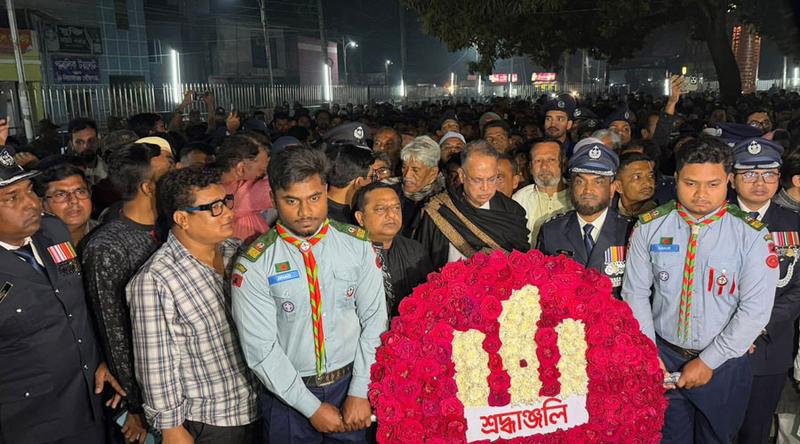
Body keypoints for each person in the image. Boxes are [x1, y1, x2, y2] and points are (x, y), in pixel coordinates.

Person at [622, 136, 780, 444]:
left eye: (713, 184)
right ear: (677, 178)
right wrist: (647, 351)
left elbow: (755, 310)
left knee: (717, 438)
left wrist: (709, 360)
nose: (701, 195)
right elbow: (635, 293)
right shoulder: (649, 226)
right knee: (666, 438)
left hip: (724, 364)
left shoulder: (751, 235)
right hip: (663, 357)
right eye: (691, 183)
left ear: (729, 181)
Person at [231, 145, 387, 443]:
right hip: (288, 396)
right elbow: (260, 349)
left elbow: (375, 319)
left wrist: (359, 390)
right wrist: (310, 407)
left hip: (352, 385)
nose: (305, 212)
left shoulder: (357, 246)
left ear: (325, 190)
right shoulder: (254, 263)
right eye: (292, 201)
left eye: (314, 198)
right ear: (274, 197)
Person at [0, 146, 126, 444]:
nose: (31, 204)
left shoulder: (53, 232)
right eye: (11, 198)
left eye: (29, 190)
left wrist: (105, 357)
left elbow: (78, 307)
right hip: (32, 423)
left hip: (91, 403)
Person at [127, 167, 261, 444]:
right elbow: (156, 365)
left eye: (225, 202)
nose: (227, 213)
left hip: (259, 404)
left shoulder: (237, 252)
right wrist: (171, 428)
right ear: (181, 218)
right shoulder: (156, 280)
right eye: (213, 208)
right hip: (212, 420)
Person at [80, 142, 174, 443]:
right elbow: (113, 331)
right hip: (143, 391)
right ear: (148, 187)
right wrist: (135, 405)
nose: (175, 179)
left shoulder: (169, 226)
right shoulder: (107, 247)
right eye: (167, 174)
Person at [729, 138, 800, 444]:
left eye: (769, 174)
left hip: (770, 347)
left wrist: (758, 324)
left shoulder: (794, 223)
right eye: (749, 175)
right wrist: (735, 330)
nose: (760, 183)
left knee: (755, 433)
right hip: (719, 346)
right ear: (732, 179)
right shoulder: (713, 220)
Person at [537, 139, 632, 295]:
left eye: (598, 182)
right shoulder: (551, 231)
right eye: (581, 181)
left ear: (612, 189)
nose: (588, 190)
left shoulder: (629, 232)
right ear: (571, 186)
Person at [416, 140, 529, 269]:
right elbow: (423, 264)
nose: (485, 188)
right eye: (477, 180)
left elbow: (521, 264)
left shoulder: (513, 212)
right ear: (462, 176)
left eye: (492, 179)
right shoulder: (439, 209)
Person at [353, 182, 434, 316]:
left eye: (396, 208)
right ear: (360, 218)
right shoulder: (349, 255)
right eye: (380, 209)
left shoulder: (414, 250)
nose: (391, 215)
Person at [214, 132, 272, 243]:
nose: (264, 174)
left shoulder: (203, 185)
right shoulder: (248, 192)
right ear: (241, 168)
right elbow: (288, 185)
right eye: (261, 171)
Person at [513, 139, 572, 245]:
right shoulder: (519, 200)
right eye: (538, 161)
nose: (544, 166)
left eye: (551, 160)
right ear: (530, 168)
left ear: (563, 163)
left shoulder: (577, 198)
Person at [34, 164, 98, 246]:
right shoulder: (35, 242)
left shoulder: (107, 234)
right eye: (60, 195)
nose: (74, 200)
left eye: (80, 192)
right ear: (42, 204)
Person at [397, 136, 446, 237]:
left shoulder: (442, 203)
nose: (407, 175)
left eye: (415, 170)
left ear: (433, 173)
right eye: (404, 167)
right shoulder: (390, 191)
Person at [325, 144, 375, 224]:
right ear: (359, 182)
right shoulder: (348, 221)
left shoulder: (314, 208)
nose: (374, 181)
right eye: (372, 176)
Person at [612, 151, 657, 217]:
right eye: (637, 177)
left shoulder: (664, 215)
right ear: (618, 186)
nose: (647, 183)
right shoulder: (604, 214)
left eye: (651, 176)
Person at [68, 118, 106, 186]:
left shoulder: (110, 170)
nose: (86, 146)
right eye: (79, 142)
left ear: (98, 141)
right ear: (72, 145)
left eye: (91, 140)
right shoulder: (64, 175)